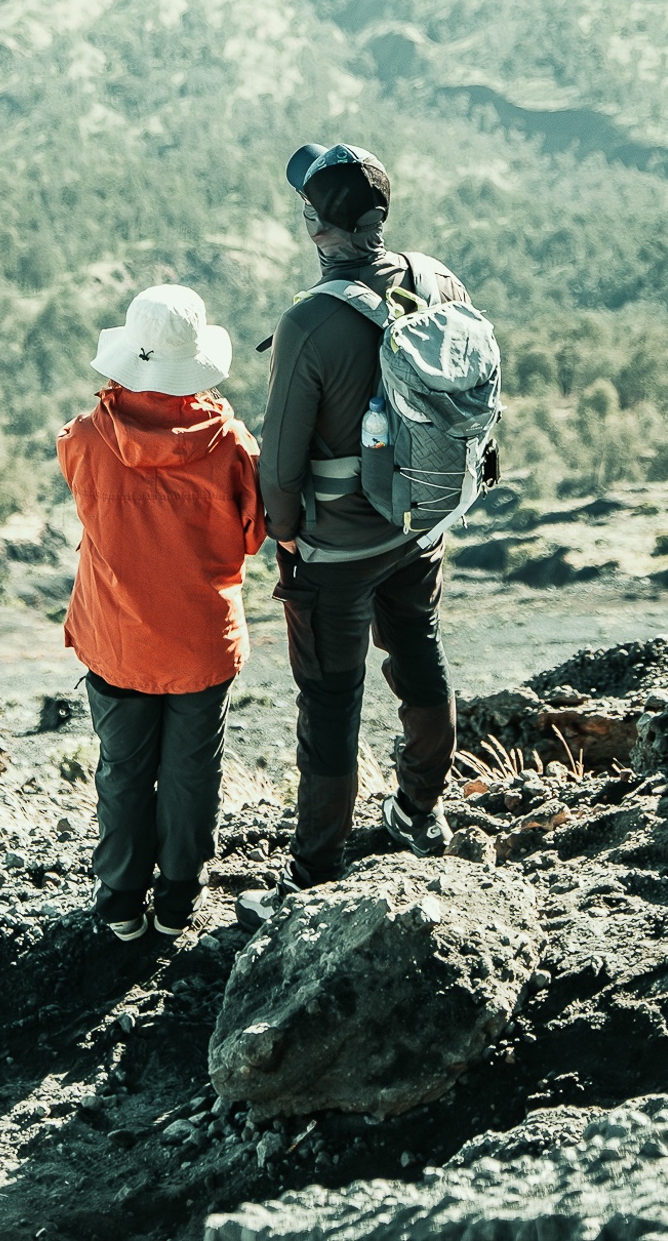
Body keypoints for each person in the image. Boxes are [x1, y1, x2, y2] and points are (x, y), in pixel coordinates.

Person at [245, 142, 472, 913]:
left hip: (335, 549)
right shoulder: (438, 278)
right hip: (418, 524)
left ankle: (313, 873)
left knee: (331, 702)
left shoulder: (310, 321)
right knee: (419, 654)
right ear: (382, 214)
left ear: (314, 225)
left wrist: (285, 536)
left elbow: (279, 463)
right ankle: (419, 811)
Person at [58, 283, 265, 941]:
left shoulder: (86, 438)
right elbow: (252, 532)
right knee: (191, 769)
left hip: (115, 634)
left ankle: (120, 898)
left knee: (122, 769)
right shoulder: (230, 442)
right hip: (200, 637)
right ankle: (178, 898)